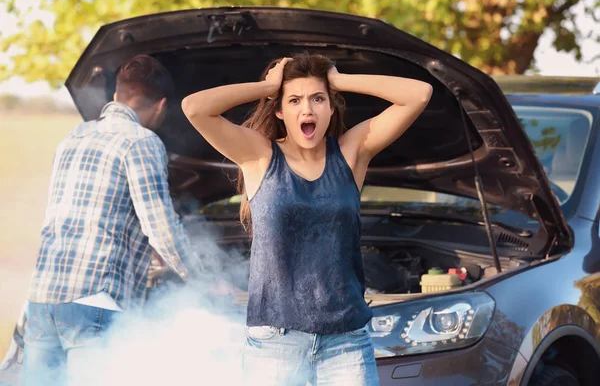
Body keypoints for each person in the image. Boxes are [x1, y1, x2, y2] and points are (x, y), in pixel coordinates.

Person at [181, 52, 433, 386]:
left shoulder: (350, 154)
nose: (307, 109)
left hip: (346, 343)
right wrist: (267, 85)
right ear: (280, 110)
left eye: (317, 99)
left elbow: (418, 95)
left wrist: (339, 80)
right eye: (295, 100)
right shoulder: (258, 155)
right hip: (275, 343)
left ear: (331, 107)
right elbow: (194, 108)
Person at [23, 54, 200, 386]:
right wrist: (202, 278)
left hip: (41, 301)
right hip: (95, 305)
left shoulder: (73, 137)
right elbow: (160, 227)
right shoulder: (141, 141)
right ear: (161, 106)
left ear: (117, 93)